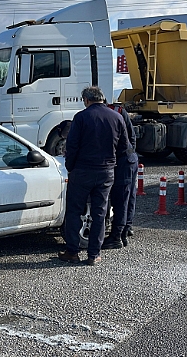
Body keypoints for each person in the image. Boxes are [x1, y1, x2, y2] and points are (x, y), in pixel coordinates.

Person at [58, 86, 131, 266]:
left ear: (86, 100)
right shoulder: (117, 117)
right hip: (106, 172)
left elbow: (72, 146)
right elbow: (124, 147)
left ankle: (72, 252)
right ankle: (94, 255)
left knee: (74, 211)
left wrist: (70, 167)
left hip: (82, 171)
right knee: (100, 213)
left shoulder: (81, 117)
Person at [102, 103, 138, 249]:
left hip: (124, 161)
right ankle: (125, 227)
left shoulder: (112, 113)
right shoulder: (118, 111)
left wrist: (123, 156)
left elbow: (131, 138)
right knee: (127, 196)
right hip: (128, 159)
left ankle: (117, 236)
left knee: (121, 199)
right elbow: (132, 137)